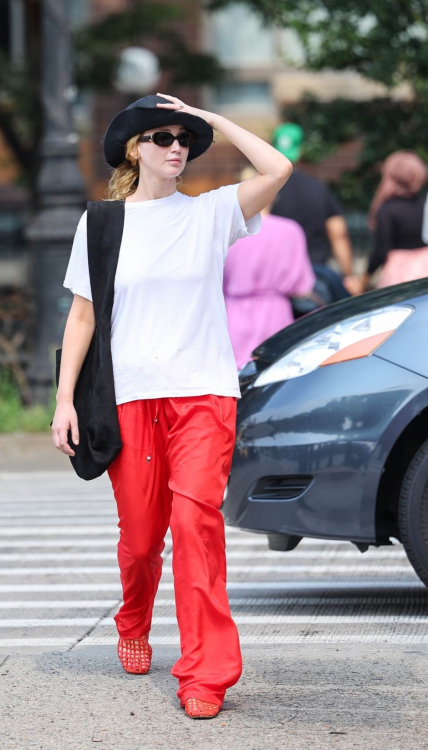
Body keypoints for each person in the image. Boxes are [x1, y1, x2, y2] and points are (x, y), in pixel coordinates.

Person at [51, 93, 292, 719]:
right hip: (130, 398)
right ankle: (133, 620)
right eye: (161, 137)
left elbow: (277, 169)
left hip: (204, 394)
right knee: (139, 540)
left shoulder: (213, 213)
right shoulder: (102, 224)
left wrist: (212, 118)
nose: (176, 146)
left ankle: (205, 674)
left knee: (195, 527)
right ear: (136, 149)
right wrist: (62, 403)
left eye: (184, 137)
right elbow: (82, 315)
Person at [223, 176, 315, 369]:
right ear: (274, 195)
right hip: (275, 314)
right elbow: (302, 286)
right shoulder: (289, 230)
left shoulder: (227, 229)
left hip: (232, 314)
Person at [270, 123, 354, 300]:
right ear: (301, 151)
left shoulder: (263, 191)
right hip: (315, 277)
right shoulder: (318, 187)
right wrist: (348, 276)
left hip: (275, 279)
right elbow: (338, 233)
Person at [345, 150, 428, 294]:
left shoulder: (387, 209)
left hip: (400, 273)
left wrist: (364, 278)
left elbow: (380, 251)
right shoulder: (425, 202)